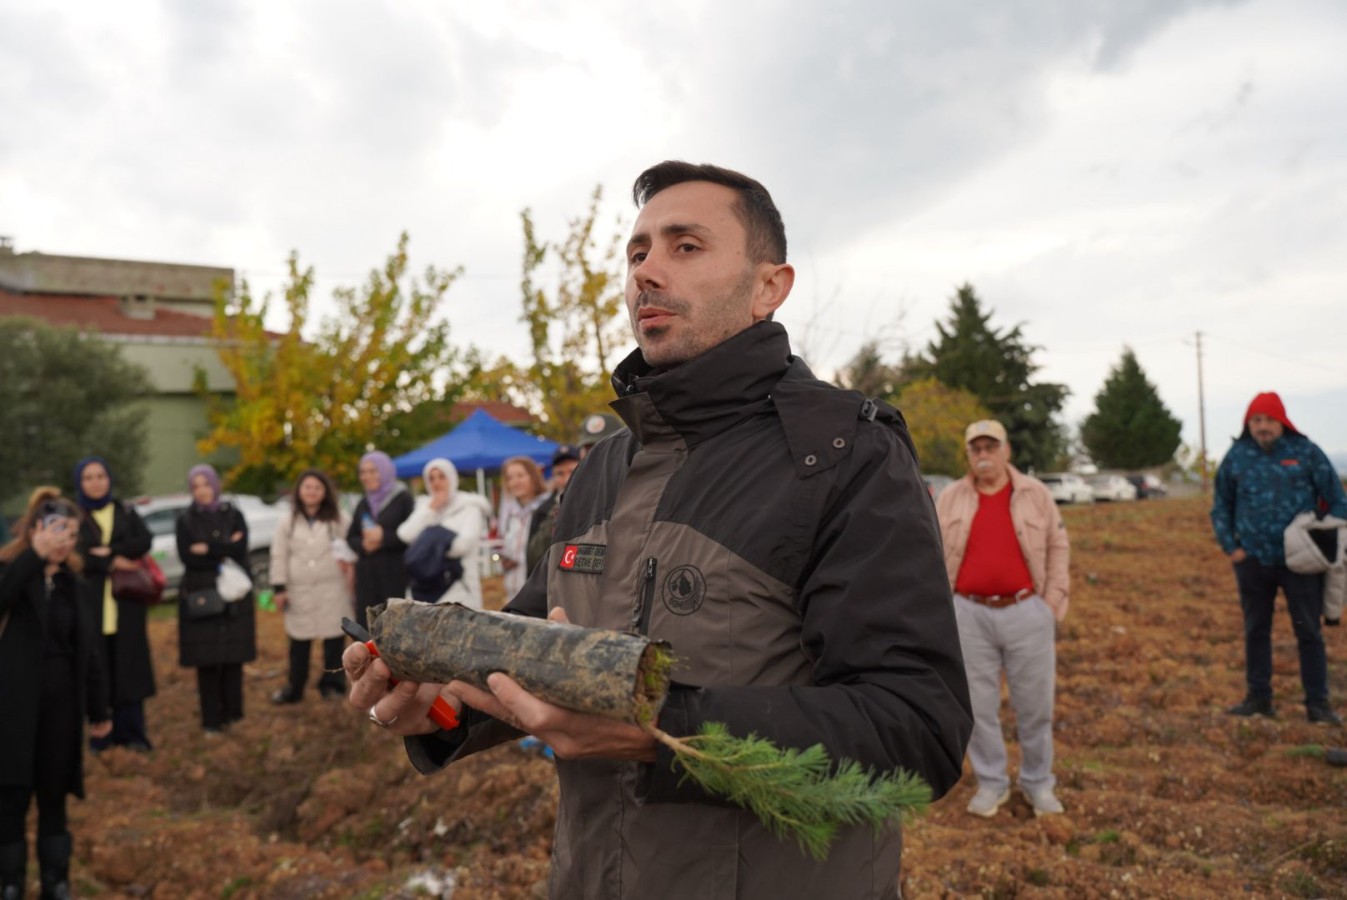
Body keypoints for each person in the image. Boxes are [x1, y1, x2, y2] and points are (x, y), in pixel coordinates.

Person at [346, 161, 972, 898]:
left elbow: (916, 728)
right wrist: (440, 706)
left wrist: (663, 731)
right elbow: (532, 652)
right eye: (636, 252)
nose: (645, 271)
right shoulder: (602, 468)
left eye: (685, 246)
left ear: (769, 287)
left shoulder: (842, 454)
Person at [935, 420, 1070, 818]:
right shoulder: (950, 498)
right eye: (975, 448)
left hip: (1027, 612)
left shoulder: (1035, 494)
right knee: (977, 707)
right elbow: (930, 550)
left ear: (1006, 450)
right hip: (968, 615)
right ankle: (992, 783)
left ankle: (1038, 783)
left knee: (1035, 707)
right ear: (968, 455)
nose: (983, 455)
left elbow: (1058, 546)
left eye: (990, 447)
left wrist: (1051, 604)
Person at [1, 488, 112, 899]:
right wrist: (34, 556)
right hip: (13, 708)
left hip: (61, 710)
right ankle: (10, 882)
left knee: (53, 793)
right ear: (35, 530)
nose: (64, 541)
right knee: (11, 795)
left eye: (71, 533)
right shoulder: (11, 571)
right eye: (56, 530)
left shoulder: (75, 586)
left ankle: (56, 881)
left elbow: (89, 651)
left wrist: (99, 709)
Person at [1211, 392, 1347, 724]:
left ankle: (1318, 704)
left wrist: (1322, 540)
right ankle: (1259, 698)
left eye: (1270, 420)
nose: (1263, 426)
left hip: (1301, 564)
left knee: (1308, 632)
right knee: (1256, 630)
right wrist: (1232, 547)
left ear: (1282, 421)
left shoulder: (1305, 452)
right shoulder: (1237, 456)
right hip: (1253, 561)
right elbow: (1221, 505)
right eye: (1256, 420)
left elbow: (1337, 501)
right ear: (1248, 423)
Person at [73, 456, 156, 753]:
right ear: (80, 483)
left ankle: (132, 735)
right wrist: (110, 562)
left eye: (101, 476)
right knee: (97, 673)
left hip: (126, 605)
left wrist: (110, 551)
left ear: (109, 480)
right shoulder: (76, 517)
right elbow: (75, 554)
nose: (96, 482)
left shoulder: (125, 511)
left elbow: (144, 540)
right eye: (89, 477)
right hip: (91, 606)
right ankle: (101, 736)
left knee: (129, 670)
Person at [176, 464, 256, 734]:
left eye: (206, 484)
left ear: (215, 485)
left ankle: (234, 714)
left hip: (234, 595)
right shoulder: (186, 520)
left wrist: (208, 548)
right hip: (202, 596)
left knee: (233, 657)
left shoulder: (233, 514)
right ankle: (211, 719)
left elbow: (241, 548)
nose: (202, 491)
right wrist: (224, 548)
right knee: (206, 660)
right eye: (196, 486)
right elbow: (187, 557)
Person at [269, 469, 353, 704]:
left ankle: (332, 685)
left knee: (334, 640)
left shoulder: (339, 519)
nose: (312, 492)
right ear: (299, 491)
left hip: (333, 590)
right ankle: (295, 687)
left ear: (325, 492)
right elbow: (279, 554)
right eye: (307, 487)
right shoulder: (287, 521)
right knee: (299, 642)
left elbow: (352, 545)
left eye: (317, 487)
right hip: (299, 591)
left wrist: (349, 564)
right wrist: (279, 588)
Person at [396, 458, 489, 610]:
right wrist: (432, 509)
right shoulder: (425, 507)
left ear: (451, 478)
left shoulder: (469, 507)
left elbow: (463, 545)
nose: (437, 482)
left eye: (442, 477)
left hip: (460, 587)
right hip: (425, 588)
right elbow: (405, 535)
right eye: (432, 478)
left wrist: (428, 541)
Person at [347, 451, 414, 629]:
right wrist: (363, 545)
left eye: (372, 471)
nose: (366, 476)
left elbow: (412, 535)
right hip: (367, 579)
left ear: (385, 471)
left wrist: (384, 537)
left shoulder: (403, 498)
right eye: (363, 472)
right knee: (367, 629)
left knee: (394, 628)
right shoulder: (363, 503)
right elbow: (351, 536)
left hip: (395, 576)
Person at [497, 456, 549, 600]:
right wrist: (503, 561)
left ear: (533, 477)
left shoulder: (547, 510)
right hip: (513, 593)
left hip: (540, 595)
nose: (515, 482)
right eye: (510, 478)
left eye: (520, 475)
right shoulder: (511, 514)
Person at [525, 444, 582, 575]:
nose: (567, 479)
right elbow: (533, 557)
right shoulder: (543, 511)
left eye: (572, 471)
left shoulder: (599, 502)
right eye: (560, 473)